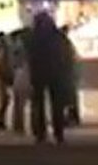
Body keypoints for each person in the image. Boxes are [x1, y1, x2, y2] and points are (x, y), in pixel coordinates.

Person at [27, 12, 69, 144]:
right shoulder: (57, 36)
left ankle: (40, 133)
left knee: (38, 103)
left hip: (39, 73)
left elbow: (31, 57)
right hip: (56, 73)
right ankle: (58, 132)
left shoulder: (34, 37)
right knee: (57, 104)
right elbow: (65, 54)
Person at [10, 28, 32, 134]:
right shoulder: (26, 48)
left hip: (18, 75)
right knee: (22, 102)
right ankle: (20, 125)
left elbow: (14, 63)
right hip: (25, 75)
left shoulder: (15, 48)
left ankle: (17, 125)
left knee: (18, 102)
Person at [0, 32, 14, 131]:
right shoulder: (2, 51)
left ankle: (1, 121)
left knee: (4, 100)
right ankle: (0, 121)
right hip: (2, 77)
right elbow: (1, 65)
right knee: (4, 100)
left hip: (0, 77)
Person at [59, 25, 81, 126]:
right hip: (67, 74)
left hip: (65, 74)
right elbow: (73, 57)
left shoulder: (62, 43)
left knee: (65, 98)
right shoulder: (66, 43)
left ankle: (69, 117)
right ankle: (71, 117)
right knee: (69, 98)